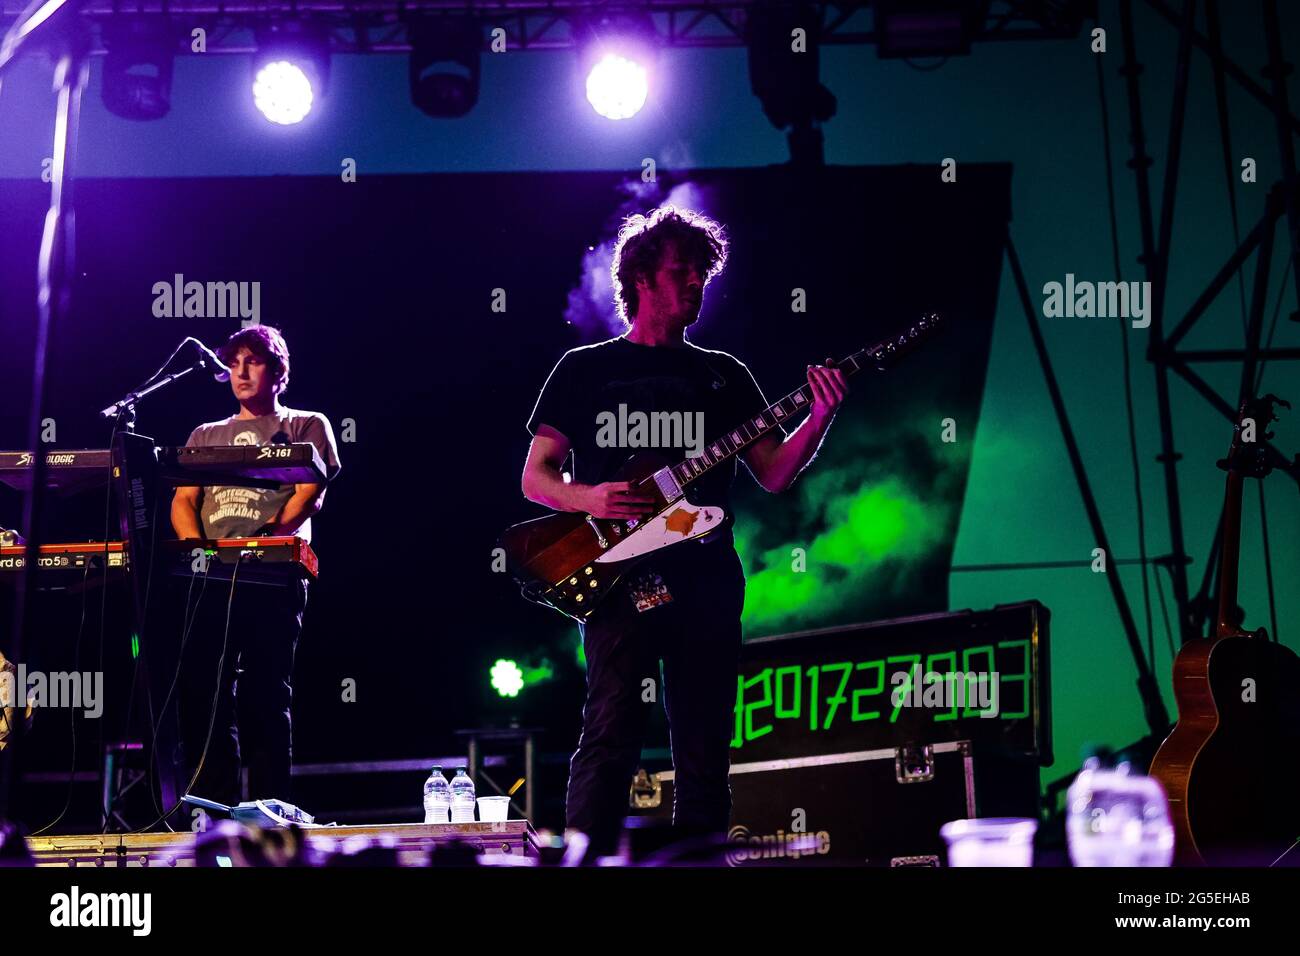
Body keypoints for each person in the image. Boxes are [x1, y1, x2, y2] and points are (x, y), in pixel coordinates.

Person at [521, 206, 847, 856]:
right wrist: (590, 496)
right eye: (681, 271)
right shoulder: (585, 369)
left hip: (706, 582)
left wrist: (820, 416)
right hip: (621, 578)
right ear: (641, 277)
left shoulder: (723, 374)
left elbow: (776, 473)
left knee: (704, 749)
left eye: (702, 273)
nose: (695, 283)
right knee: (610, 733)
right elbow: (537, 477)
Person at [169, 325, 340, 807]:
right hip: (210, 576)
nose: (240, 371)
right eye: (234, 362)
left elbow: (312, 493)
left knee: (265, 691)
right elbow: (183, 500)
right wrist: (199, 550)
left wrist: (264, 539)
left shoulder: (308, 424)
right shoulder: (206, 433)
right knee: (204, 689)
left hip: (273, 573)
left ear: (277, 370)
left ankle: (270, 808)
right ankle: (212, 807)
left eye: (254, 360)